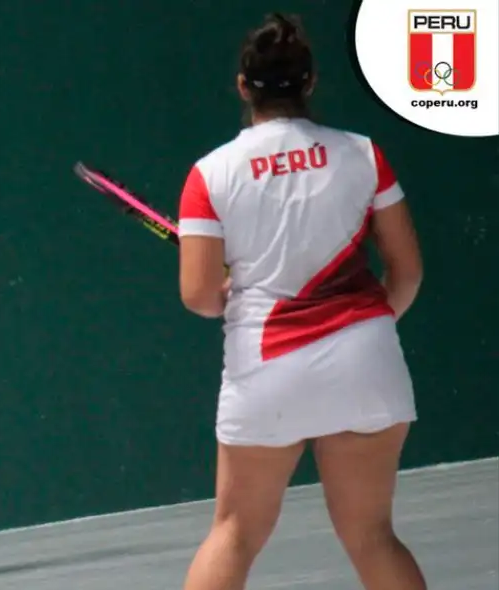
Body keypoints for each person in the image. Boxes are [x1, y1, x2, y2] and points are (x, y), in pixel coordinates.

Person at [175, 13, 427, 590]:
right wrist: (370, 331)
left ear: (243, 87)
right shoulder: (364, 154)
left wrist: (221, 293)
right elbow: (407, 271)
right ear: (310, 83)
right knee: (373, 536)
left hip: (267, 368)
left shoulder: (210, 173)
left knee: (234, 532)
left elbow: (198, 296)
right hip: (368, 360)